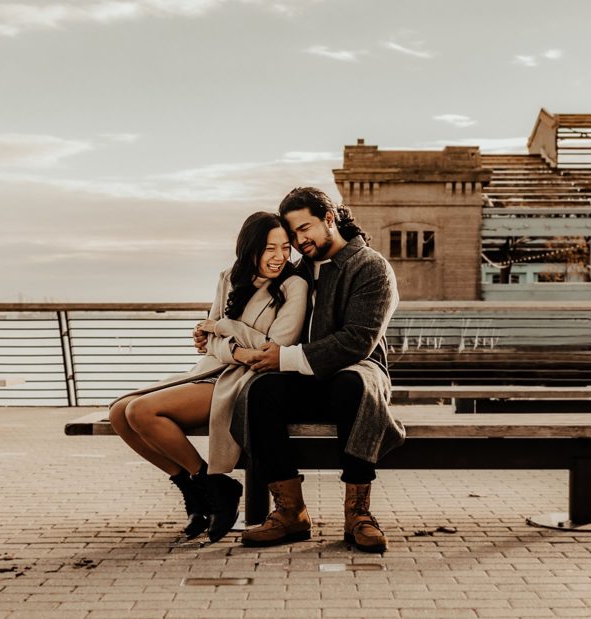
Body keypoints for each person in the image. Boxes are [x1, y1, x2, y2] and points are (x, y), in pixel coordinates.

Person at [109, 211, 308, 543]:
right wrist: (232, 345)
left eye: (286, 248)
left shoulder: (293, 286)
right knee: (119, 413)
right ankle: (196, 493)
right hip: (213, 369)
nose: (279, 257)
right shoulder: (230, 276)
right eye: (270, 248)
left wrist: (223, 330)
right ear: (249, 248)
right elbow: (209, 338)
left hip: (243, 379)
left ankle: (216, 486)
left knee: (140, 411)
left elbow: (275, 346)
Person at [229, 187, 405, 553]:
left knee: (350, 385)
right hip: (304, 379)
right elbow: (253, 312)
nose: (299, 240)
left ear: (329, 218)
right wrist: (218, 335)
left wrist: (284, 359)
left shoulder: (370, 266)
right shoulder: (297, 272)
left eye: (304, 228)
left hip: (357, 374)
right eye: (292, 233)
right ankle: (291, 513)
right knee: (260, 392)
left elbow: (358, 340)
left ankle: (358, 515)